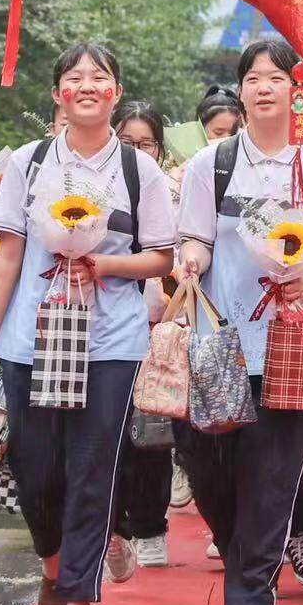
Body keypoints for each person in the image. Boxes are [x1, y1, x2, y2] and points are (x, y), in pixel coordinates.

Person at [0, 43, 177, 605]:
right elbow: (7, 254)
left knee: (93, 465)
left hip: (110, 339)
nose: (86, 85)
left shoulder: (140, 172)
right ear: (57, 94)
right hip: (31, 337)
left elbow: (162, 256)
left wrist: (103, 262)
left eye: (99, 76)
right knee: (35, 467)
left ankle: (78, 602)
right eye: (74, 77)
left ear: (116, 92)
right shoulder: (28, 165)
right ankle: (53, 563)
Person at [173, 38, 303, 605]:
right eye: (252, 77)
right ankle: (245, 561)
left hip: (295, 340)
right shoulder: (214, 166)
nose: (263, 88)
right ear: (242, 90)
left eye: (275, 78)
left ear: (295, 90)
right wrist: (190, 259)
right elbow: (195, 238)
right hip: (221, 342)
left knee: (275, 474)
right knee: (209, 467)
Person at [108, 100, 176, 571]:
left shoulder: (175, 189)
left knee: (152, 433)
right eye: (127, 142)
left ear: (160, 147)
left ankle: (150, 526)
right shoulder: (96, 189)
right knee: (108, 433)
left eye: (145, 143)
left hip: (164, 327)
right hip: (106, 328)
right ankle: (113, 528)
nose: (137, 151)